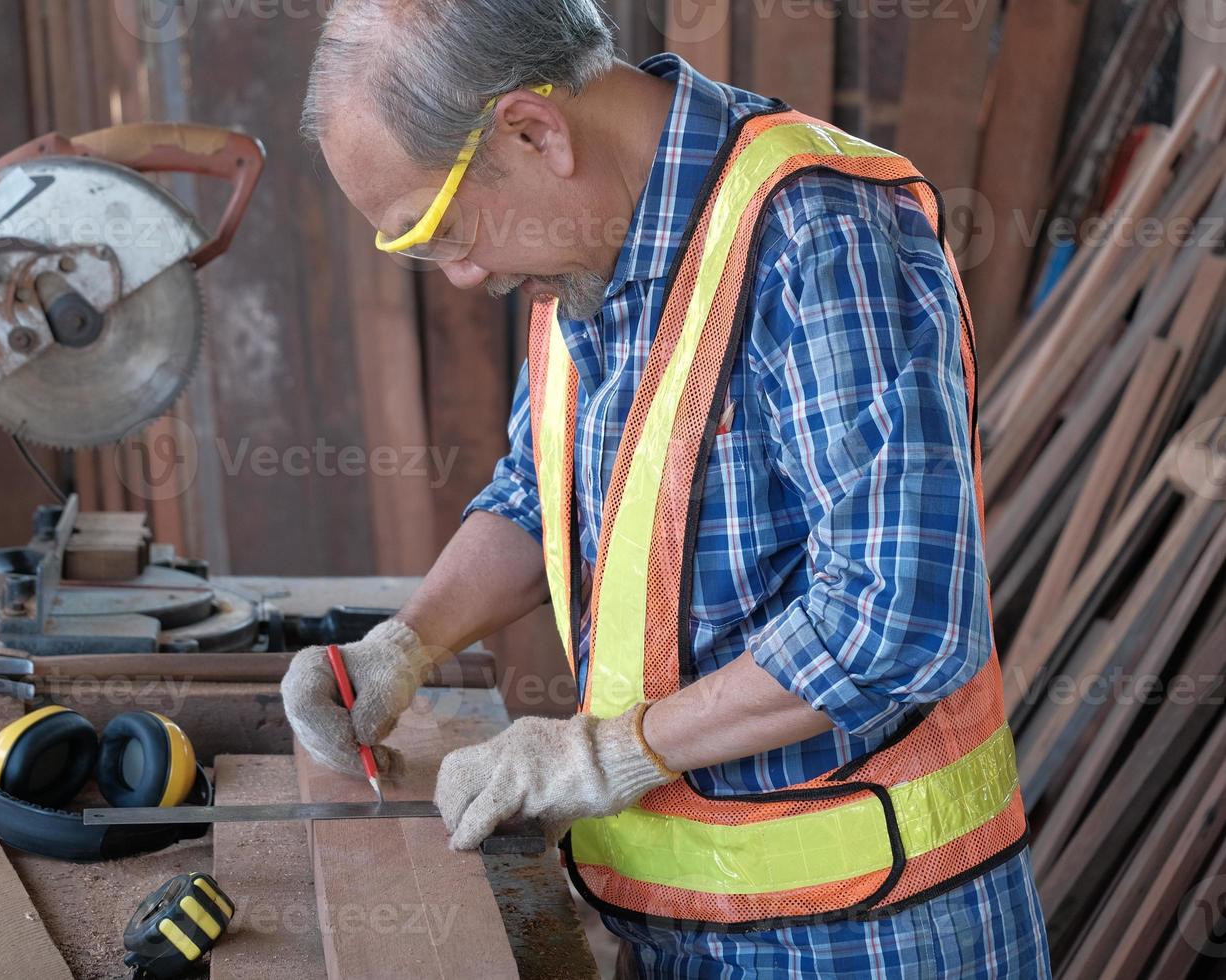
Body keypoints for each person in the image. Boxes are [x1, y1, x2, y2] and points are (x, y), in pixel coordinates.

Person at [283, 1, 1050, 975]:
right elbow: (537, 493)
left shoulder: (817, 236)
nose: (464, 274)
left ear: (533, 130)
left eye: (435, 227)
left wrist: (596, 756)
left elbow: (895, 621)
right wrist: (406, 640)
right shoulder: (581, 251)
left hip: (868, 930)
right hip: (677, 918)